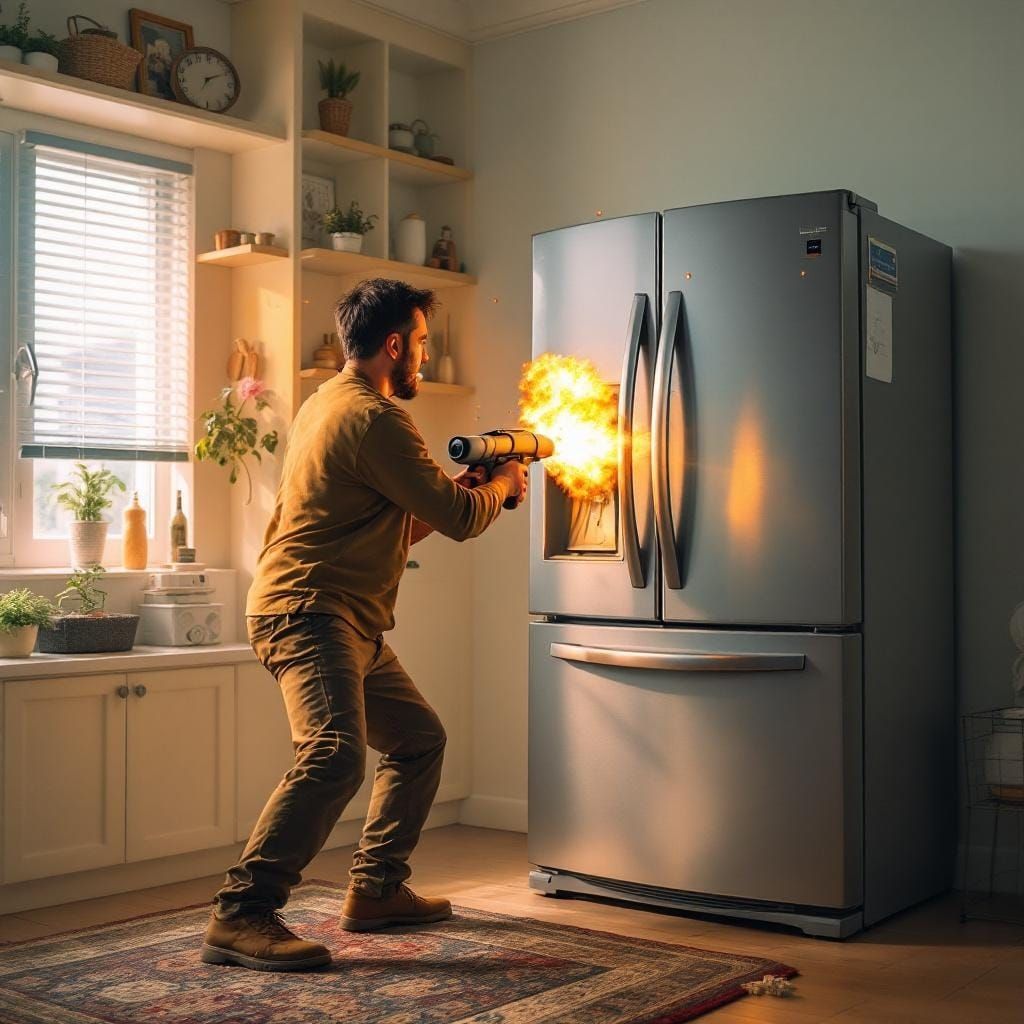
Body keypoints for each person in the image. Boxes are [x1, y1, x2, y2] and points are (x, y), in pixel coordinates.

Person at [200, 278, 527, 972]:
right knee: (335, 753)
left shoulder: (330, 404)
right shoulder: (377, 419)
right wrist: (500, 488)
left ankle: (376, 891)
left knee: (418, 740)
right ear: (394, 345)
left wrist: (465, 492)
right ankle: (242, 913)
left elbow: (395, 528)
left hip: (341, 615)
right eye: (423, 345)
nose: (425, 358)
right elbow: (467, 523)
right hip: (309, 611)